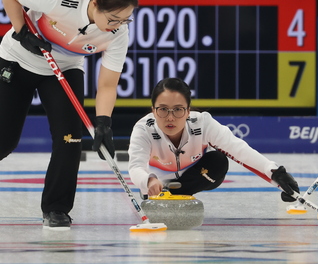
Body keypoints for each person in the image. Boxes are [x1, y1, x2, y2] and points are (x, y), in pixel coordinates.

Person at [0, 0, 138, 230]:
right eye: (113, 19)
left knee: (70, 141)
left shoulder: (118, 33)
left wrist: (104, 122)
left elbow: (108, 84)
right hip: (19, 58)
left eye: (126, 19)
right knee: (2, 140)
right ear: (95, 4)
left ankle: (56, 209)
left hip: (64, 68)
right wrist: (21, 32)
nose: (118, 25)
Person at [128, 77, 300, 203]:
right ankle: (160, 195)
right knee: (150, 180)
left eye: (178, 109)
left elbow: (238, 150)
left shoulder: (203, 123)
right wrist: (148, 181)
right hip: (156, 184)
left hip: (194, 177)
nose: (170, 117)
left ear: (188, 111)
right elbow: (136, 167)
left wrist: (276, 173)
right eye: (163, 109)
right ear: (153, 110)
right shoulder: (143, 129)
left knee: (218, 161)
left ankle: (173, 197)